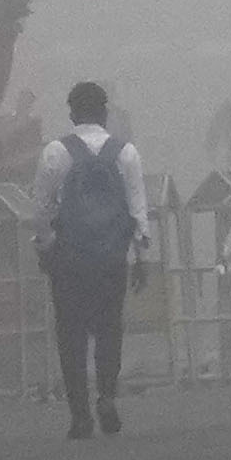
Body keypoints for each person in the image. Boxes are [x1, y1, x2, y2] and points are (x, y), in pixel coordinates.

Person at [37, 79, 151, 439]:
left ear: (71, 113)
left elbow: (41, 208)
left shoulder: (56, 151)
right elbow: (138, 208)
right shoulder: (125, 153)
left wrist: (45, 246)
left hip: (69, 257)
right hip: (111, 257)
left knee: (70, 335)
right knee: (108, 330)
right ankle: (106, 395)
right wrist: (141, 255)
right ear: (105, 113)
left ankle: (80, 414)